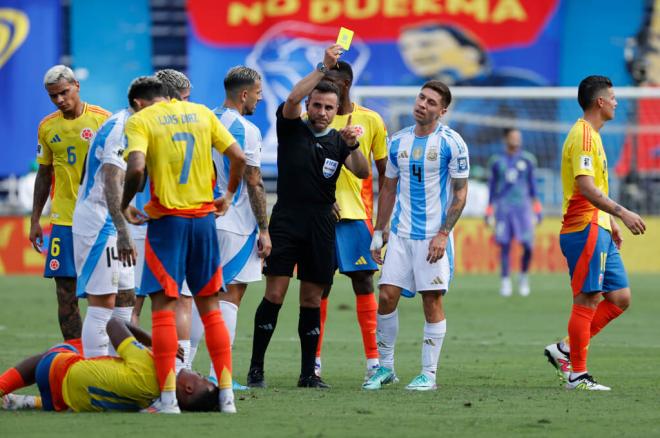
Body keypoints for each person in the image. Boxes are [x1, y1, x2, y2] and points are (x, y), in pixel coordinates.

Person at [247, 44, 369, 389]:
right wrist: (322, 67)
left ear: (335, 110)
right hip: (286, 220)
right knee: (275, 295)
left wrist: (354, 145)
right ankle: (256, 370)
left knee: (312, 298)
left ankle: (308, 374)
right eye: (316, 105)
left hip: (321, 224)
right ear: (309, 105)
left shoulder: (338, 141)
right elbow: (290, 98)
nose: (322, 112)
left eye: (329, 107)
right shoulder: (291, 127)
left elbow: (361, 173)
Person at [121, 77, 246, 413]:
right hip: (204, 220)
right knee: (210, 308)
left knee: (163, 309)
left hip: (168, 222)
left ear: (140, 101)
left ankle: (167, 399)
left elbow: (135, 168)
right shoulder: (203, 114)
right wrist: (229, 195)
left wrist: (125, 202)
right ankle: (226, 396)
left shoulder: (141, 120)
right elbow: (239, 158)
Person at [543, 76, 646, 391]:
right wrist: (622, 213)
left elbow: (592, 187)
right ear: (599, 102)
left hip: (598, 225)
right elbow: (586, 187)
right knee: (587, 299)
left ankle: (563, 350)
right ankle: (577, 375)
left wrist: (609, 222)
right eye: (612, 97)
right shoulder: (584, 136)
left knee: (619, 298)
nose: (616, 102)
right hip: (583, 227)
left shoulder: (593, 137)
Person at [366, 80, 469, 391]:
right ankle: (385, 369)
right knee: (385, 296)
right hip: (400, 233)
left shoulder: (453, 143)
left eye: (431, 102)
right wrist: (379, 230)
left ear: (442, 111)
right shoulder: (397, 142)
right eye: (421, 97)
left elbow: (461, 194)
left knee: (431, 300)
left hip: (432, 237)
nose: (422, 104)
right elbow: (388, 188)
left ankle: (429, 374)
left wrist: (443, 233)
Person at [188, 66, 271, 390]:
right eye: (259, 93)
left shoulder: (202, 118)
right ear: (245, 93)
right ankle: (217, 373)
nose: (261, 99)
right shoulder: (246, 130)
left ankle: (183, 365)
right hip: (235, 222)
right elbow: (254, 181)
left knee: (201, 294)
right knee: (230, 296)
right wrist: (264, 229)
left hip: (201, 217)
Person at [72, 78, 166, 358]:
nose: (160, 112)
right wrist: (123, 230)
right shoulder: (120, 127)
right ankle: (94, 372)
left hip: (113, 219)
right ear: (140, 103)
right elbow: (112, 180)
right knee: (103, 303)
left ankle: (117, 367)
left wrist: (125, 211)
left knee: (126, 299)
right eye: (156, 106)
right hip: (99, 223)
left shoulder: (137, 126)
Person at [315, 60, 388, 381]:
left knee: (363, 283)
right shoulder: (311, 119)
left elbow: (386, 175)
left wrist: (384, 224)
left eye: (327, 79)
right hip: (320, 216)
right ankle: (313, 361)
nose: (321, 88)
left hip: (357, 215)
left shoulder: (371, 120)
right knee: (318, 287)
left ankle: (374, 361)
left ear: (343, 84)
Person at [30, 65, 111, 352]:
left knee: (103, 293)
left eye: (64, 92)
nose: (60, 100)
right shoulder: (47, 127)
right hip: (64, 221)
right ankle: (76, 357)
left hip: (100, 220)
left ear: (76, 85)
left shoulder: (103, 121)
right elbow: (44, 174)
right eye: (53, 96)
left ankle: (104, 356)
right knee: (65, 293)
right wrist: (35, 220)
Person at [0, 318, 221, 412]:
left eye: (199, 375)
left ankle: (2, 385)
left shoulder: (150, 368)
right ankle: (31, 402)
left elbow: (114, 323)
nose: (196, 371)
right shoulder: (154, 402)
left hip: (54, 371)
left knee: (71, 347)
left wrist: (154, 342)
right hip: (62, 402)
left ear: (188, 388)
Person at [485, 128, 542, 297]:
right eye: (513, 137)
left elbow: (533, 187)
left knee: (528, 246)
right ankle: (505, 281)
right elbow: (492, 189)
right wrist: (489, 210)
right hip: (503, 209)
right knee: (505, 245)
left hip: (523, 209)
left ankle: (523, 276)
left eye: (518, 137)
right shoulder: (497, 161)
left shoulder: (528, 160)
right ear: (505, 139)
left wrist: (537, 209)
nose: (516, 140)